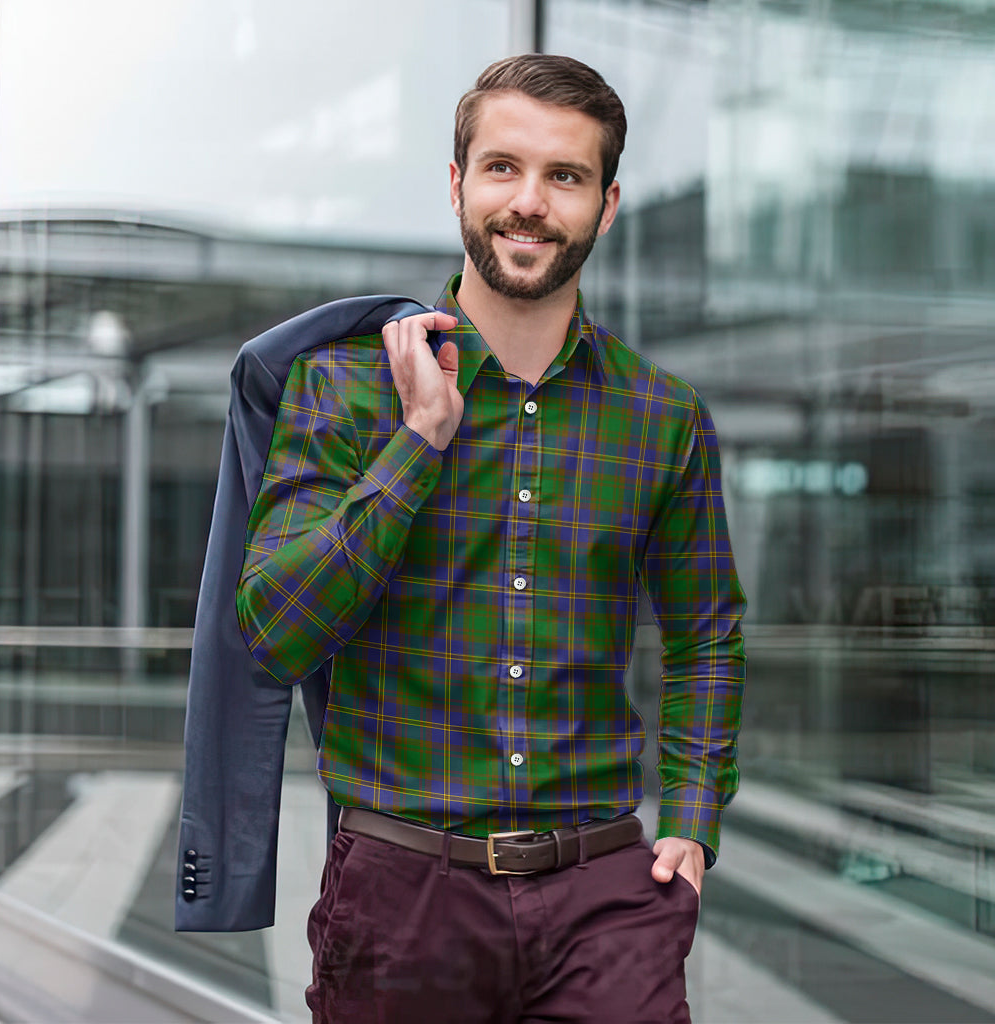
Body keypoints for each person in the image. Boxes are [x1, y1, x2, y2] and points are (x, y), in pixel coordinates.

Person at [236, 53, 746, 1024]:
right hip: (403, 896)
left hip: (606, 896)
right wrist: (420, 440)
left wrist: (689, 818)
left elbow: (705, 631)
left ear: (607, 202)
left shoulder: (661, 416)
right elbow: (274, 631)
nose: (530, 202)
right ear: (458, 182)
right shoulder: (342, 389)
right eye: (503, 167)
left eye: (566, 176)